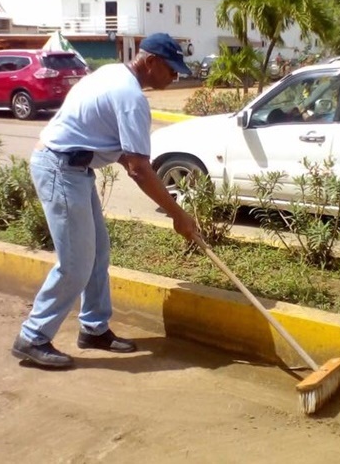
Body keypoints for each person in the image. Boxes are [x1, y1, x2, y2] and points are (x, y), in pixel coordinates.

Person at [11, 33, 199, 369]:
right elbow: (139, 169)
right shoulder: (130, 97)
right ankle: (33, 336)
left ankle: (94, 329)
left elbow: (127, 158)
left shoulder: (114, 74)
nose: (176, 76)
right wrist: (178, 215)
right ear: (151, 61)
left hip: (74, 169)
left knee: (97, 252)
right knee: (76, 262)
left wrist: (172, 208)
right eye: (171, 69)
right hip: (60, 168)